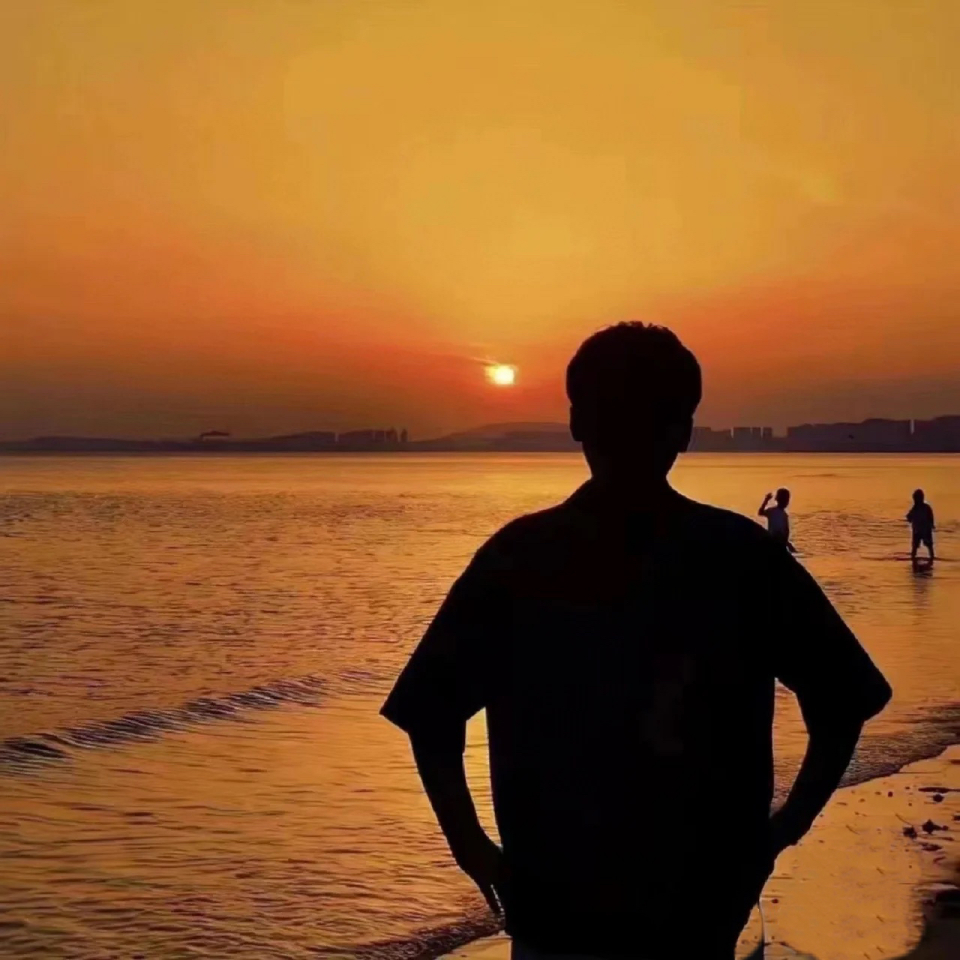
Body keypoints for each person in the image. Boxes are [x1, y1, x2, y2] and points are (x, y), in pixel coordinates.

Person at [381, 323, 892, 960]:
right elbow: (842, 700)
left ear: (576, 423)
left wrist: (473, 848)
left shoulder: (521, 558)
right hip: (691, 903)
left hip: (569, 907)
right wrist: (780, 832)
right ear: (684, 431)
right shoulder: (739, 557)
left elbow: (430, 714)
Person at [758, 488, 796, 553]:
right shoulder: (772, 511)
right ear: (777, 500)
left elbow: (786, 530)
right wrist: (766, 501)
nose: (787, 502)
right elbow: (760, 513)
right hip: (773, 540)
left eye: (787, 500)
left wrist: (786, 543)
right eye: (785, 500)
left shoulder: (784, 515)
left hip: (779, 541)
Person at [906, 489, 935, 563]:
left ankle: (931, 559)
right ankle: (914, 560)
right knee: (915, 548)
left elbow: (930, 517)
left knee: (929, 547)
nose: (915, 501)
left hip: (925, 530)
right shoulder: (915, 508)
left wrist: (931, 525)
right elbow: (909, 518)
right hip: (917, 531)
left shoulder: (925, 508)